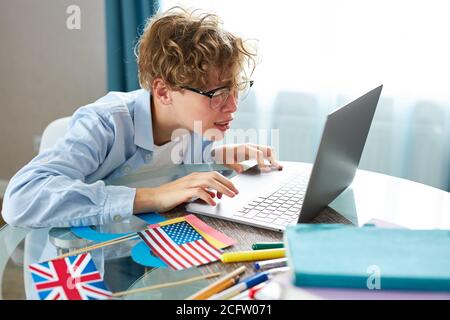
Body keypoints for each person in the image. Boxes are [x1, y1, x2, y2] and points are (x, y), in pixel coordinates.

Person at [2, 7, 282, 228]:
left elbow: (168, 161)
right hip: (90, 261)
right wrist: (155, 197)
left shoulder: (193, 124)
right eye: (217, 93)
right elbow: (20, 200)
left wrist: (218, 155)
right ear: (163, 91)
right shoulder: (105, 124)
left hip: (149, 245)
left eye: (235, 89)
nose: (232, 106)